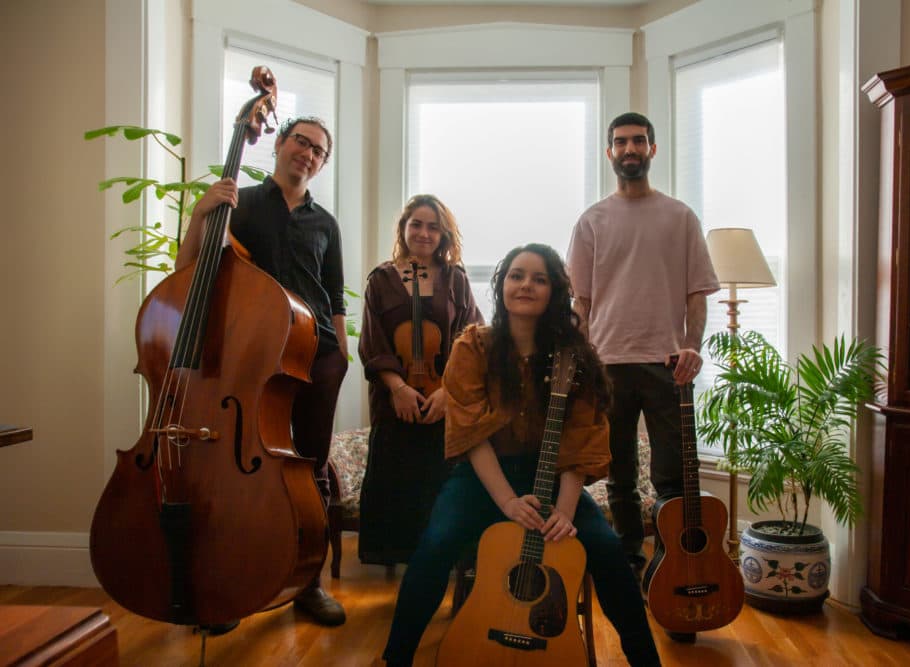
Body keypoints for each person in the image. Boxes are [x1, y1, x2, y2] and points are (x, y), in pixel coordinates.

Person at [381, 244, 661, 666]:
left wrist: (563, 514)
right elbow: (472, 434)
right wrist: (508, 503)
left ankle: (646, 660)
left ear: (554, 292)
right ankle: (395, 658)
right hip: (485, 476)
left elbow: (580, 439)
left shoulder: (576, 356)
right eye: (516, 275)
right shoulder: (473, 347)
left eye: (539, 278)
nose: (525, 285)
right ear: (501, 286)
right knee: (436, 544)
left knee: (607, 551)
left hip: (552, 475)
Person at [176, 116, 349, 627]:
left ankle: (307, 582)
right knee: (238, 473)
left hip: (315, 354)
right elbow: (191, 272)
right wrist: (199, 215)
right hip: (250, 356)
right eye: (301, 141)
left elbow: (334, 293)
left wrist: (339, 350)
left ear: (322, 163)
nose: (308, 153)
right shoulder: (239, 203)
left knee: (310, 470)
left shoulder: (326, 223)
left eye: (319, 150)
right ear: (278, 145)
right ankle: (232, 583)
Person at [566, 112, 720, 631]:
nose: (629, 149)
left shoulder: (680, 217)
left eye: (638, 141)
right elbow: (581, 302)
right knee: (621, 477)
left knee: (673, 478)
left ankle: (674, 567)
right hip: (607, 365)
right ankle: (630, 566)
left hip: (667, 365)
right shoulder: (592, 221)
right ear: (609, 153)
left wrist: (692, 346)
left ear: (652, 149)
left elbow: (697, 290)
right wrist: (583, 362)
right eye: (620, 142)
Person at [357, 194, 482, 565]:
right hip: (393, 399)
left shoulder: (456, 279)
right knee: (395, 482)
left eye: (432, 226)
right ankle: (398, 561)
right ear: (404, 228)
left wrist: (448, 391)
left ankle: (442, 561)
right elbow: (372, 341)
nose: (424, 233)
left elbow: (471, 338)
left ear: (443, 234)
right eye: (416, 224)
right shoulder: (381, 279)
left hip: (446, 400)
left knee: (441, 483)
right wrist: (397, 388)